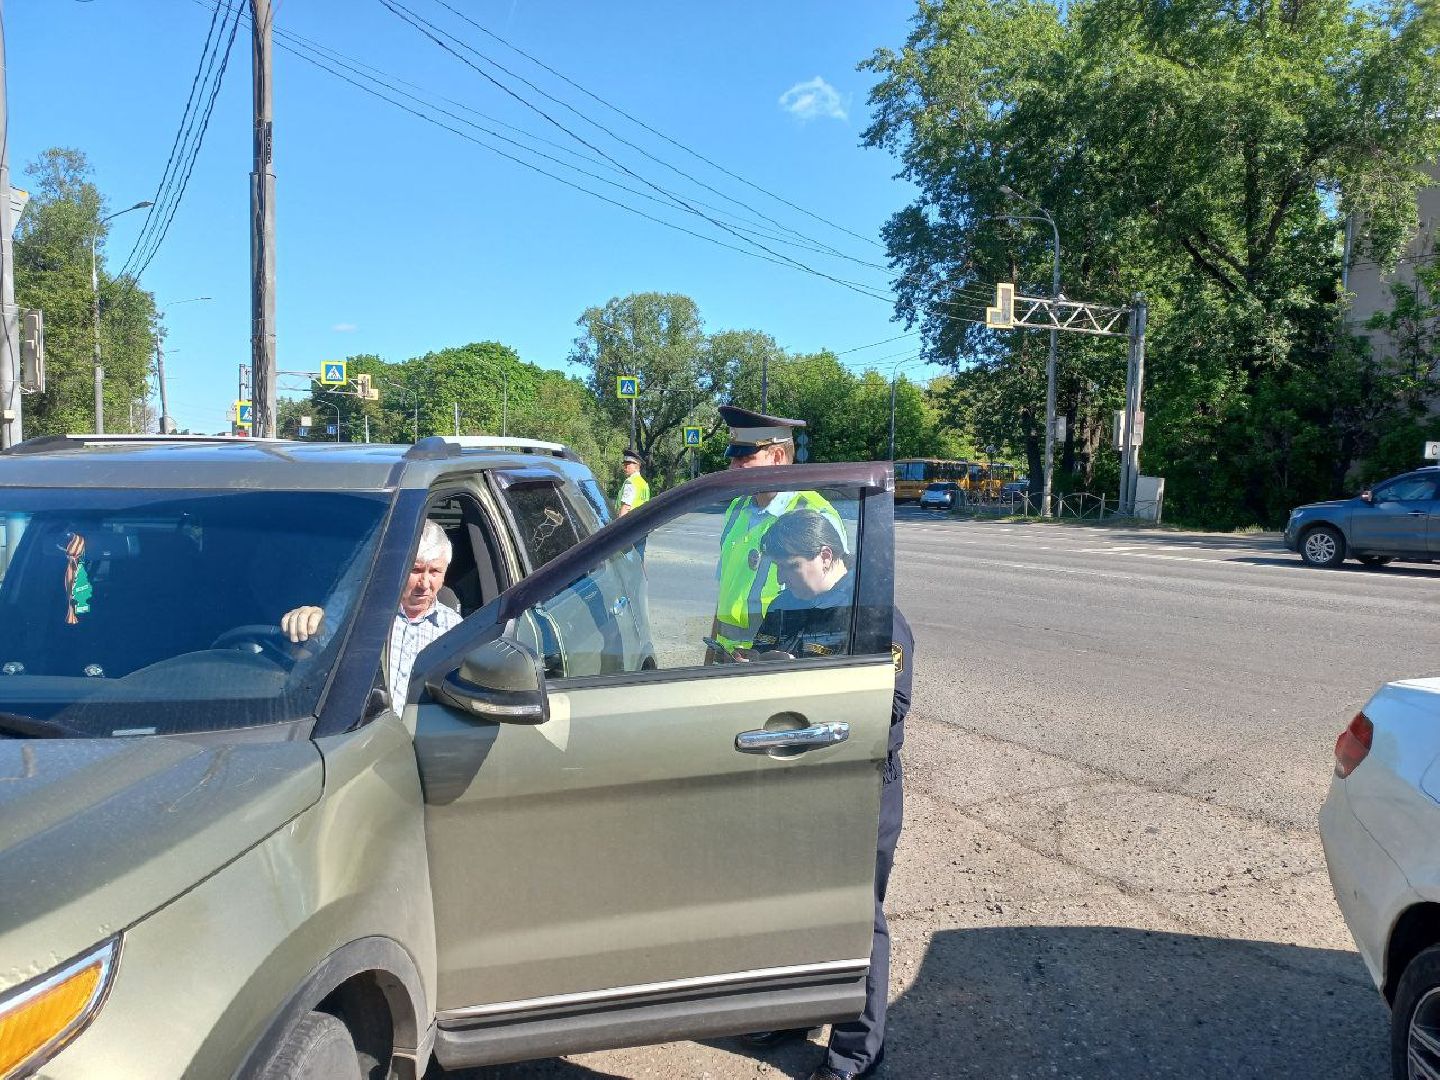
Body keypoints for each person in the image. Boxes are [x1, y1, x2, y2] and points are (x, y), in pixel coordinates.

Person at [738, 514, 913, 1080]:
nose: (784, 581)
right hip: (788, 783)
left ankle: (857, 1051)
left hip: (852, 786)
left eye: (792, 568)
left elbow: (889, 712)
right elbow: (758, 672)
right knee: (789, 903)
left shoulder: (875, 617)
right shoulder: (786, 606)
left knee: (854, 915)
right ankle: (796, 1011)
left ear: (828, 557)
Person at [707, 405, 844, 662]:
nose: (732, 467)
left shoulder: (814, 514)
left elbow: (833, 606)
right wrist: (711, 655)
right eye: (733, 457)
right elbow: (724, 593)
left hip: (774, 666)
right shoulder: (737, 508)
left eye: (744, 458)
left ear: (778, 456)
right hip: (727, 660)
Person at [281, 519, 462, 700]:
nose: (424, 584)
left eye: (434, 572)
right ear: (396, 569)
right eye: (415, 570)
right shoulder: (354, 608)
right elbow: (304, 668)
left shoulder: (455, 628)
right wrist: (305, 627)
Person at [616, 448, 650, 516]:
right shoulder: (644, 484)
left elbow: (626, 507)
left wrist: (619, 525)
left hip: (628, 521)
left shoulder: (630, 482)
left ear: (636, 466)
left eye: (627, 464)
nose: (624, 467)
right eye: (624, 465)